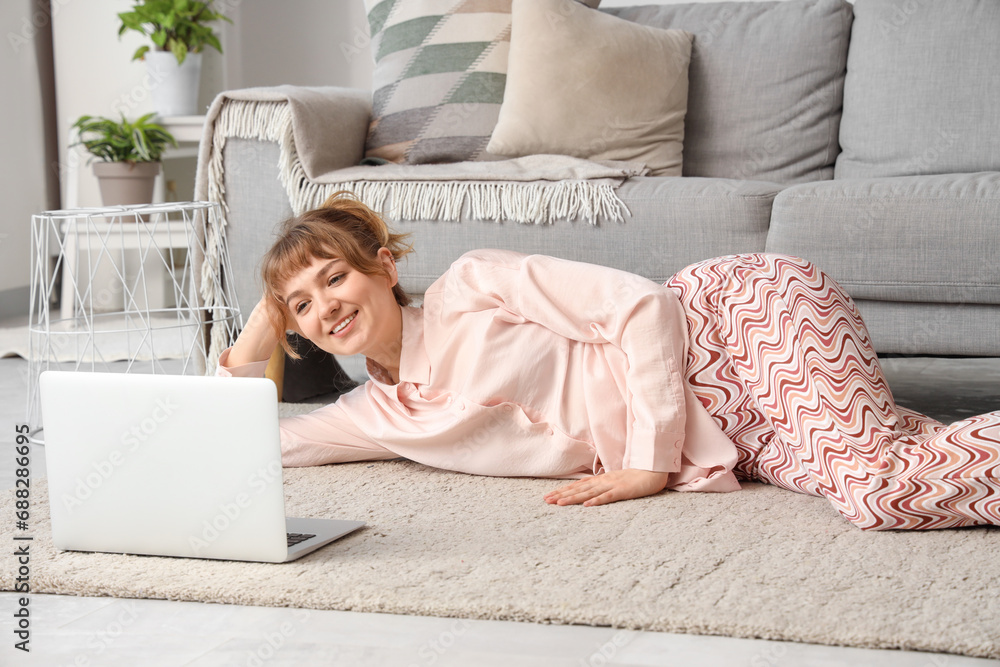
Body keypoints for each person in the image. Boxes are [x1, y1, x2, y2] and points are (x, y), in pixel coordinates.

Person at [218, 192, 1000, 531]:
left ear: (385, 268)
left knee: (875, 488)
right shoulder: (380, 415)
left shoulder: (472, 285)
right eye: (304, 305)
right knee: (907, 466)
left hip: (736, 319)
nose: (325, 305)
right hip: (735, 433)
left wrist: (646, 462)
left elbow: (643, 305)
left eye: (336, 277)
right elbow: (235, 437)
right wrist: (263, 315)